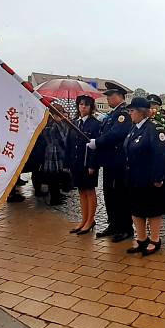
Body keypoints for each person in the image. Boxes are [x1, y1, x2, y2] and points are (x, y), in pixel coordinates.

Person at [123, 97, 165, 256]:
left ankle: (155, 239)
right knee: (136, 208)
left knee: (152, 209)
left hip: (149, 177)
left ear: (141, 112)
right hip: (134, 176)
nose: (130, 113)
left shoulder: (155, 129)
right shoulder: (134, 128)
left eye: (132, 111)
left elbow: (161, 154)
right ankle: (141, 239)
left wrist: (158, 177)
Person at [87, 83, 133, 242]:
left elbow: (115, 134)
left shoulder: (124, 114)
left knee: (120, 195)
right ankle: (113, 224)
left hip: (119, 162)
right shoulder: (112, 114)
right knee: (110, 194)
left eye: (110, 95)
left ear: (120, 95)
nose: (107, 98)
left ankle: (125, 227)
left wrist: (97, 142)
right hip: (109, 162)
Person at [67, 95, 100, 233]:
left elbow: (96, 147)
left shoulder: (95, 124)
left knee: (89, 191)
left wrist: (93, 165)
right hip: (77, 163)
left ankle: (90, 220)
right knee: (81, 191)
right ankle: (84, 219)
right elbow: (69, 144)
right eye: (81, 104)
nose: (83, 107)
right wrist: (67, 163)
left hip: (88, 163)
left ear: (91, 107)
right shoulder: (74, 122)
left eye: (86, 105)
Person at [39, 103, 69, 206]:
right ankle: (55, 199)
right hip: (56, 153)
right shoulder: (56, 124)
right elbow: (63, 139)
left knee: (52, 178)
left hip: (48, 152)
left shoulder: (46, 123)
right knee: (55, 178)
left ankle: (55, 197)